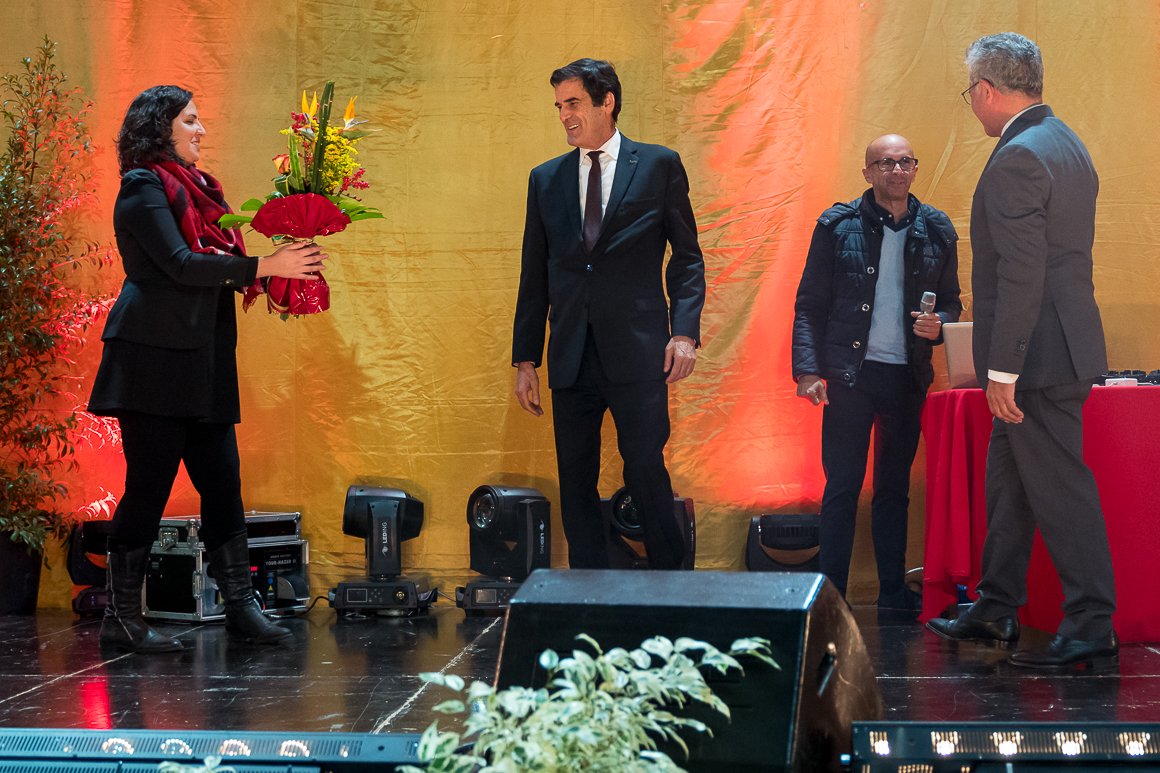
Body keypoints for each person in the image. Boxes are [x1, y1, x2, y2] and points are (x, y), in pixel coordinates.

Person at [88, 85, 327, 653]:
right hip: (153, 359)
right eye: (190, 120)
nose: (201, 130)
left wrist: (280, 267)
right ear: (160, 127)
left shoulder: (200, 191)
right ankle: (121, 618)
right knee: (148, 487)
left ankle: (242, 608)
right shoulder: (142, 187)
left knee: (223, 483)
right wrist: (264, 265)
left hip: (204, 356)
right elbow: (179, 264)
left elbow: (216, 261)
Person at [926, 33, 1118, 669]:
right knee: (1008, 484)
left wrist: (1002, 367)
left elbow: (1021, 272)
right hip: (1061, 346)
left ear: (985, 90)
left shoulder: (1017, 157)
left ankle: (1091, 622)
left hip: (1037, 358)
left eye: (970, 94)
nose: (972, 104)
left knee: (1061, 489)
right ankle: (997, 606)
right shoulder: (1065, 142)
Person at [511, 59, 706, 570]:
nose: (564, 115)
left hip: (639, 352)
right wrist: (526, 360)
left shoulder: (659, 165)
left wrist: (684, 333)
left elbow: (687, 258)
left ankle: (672, 584)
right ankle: (586, 592)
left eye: (573, 103)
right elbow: (535, 274)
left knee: (644, 470)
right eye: (559, 106)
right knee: (575, 480)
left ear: (607, 102)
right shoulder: (546, 179)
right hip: (571, 353)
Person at [792, 134, 961, 609]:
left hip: (907, 377)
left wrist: (941, 323)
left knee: (894, 490)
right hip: (850, 376)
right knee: (842, 487)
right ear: (867, 172)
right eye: (885, 163)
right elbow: (809, 305)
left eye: (905, 161)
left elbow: (952, 302)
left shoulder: (938, 229)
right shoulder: (837, 225)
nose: (897, 170)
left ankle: (892, 593)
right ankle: (831, 598)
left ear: (915, 168)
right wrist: (807, 370)